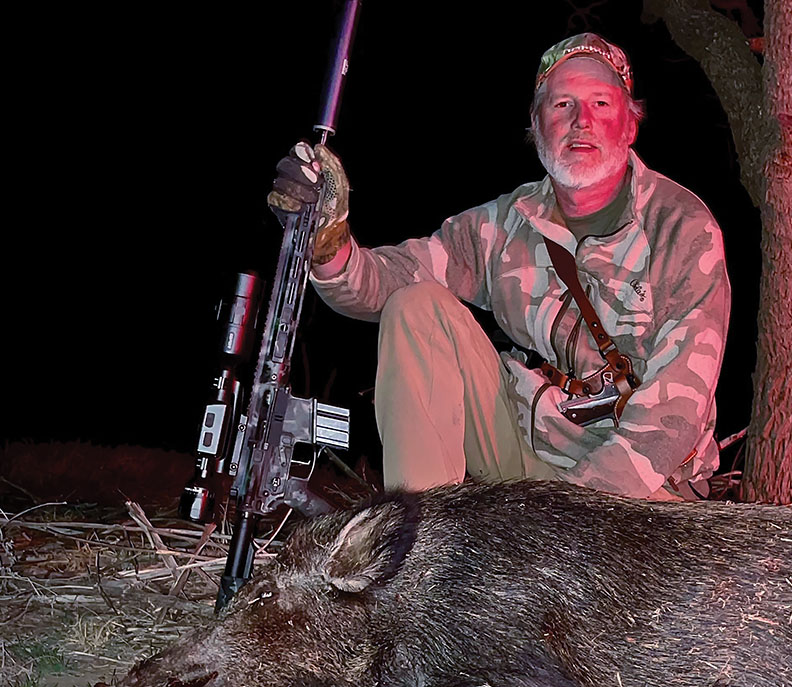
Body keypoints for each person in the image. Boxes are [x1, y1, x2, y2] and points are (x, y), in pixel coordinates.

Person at [269, 33, 731, 499]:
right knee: (415, 308)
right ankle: (422, 546)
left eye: (601, 103)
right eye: (562, 105)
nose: (582, 121)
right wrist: (327, 239)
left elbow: (674, 411)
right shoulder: (508, 222)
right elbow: (386, 282)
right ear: (537, 124)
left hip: (639, 493)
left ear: (630, 126)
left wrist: (574, 517)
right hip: (529, 456)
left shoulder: (682, 227)